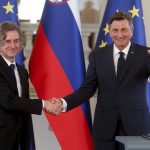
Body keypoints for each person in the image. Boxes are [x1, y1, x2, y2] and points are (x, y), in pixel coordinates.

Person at [51, 12, 150, 150]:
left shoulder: (145, 54)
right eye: (115, 30)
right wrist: (63, 102)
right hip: (105, 129)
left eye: (124, 30)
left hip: (137, 128)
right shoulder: (98, 55)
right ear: (109, 32)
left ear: (132, 31)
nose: (119, 35)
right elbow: (87, 89)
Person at [0, 22, 63, 150]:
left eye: (16, 41)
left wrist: (51, 109)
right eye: (7, 41)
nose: (13, 45)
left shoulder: (22, 71)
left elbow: (24, 104)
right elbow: (9, 101)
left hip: (20, 136)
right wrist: (45, 104)